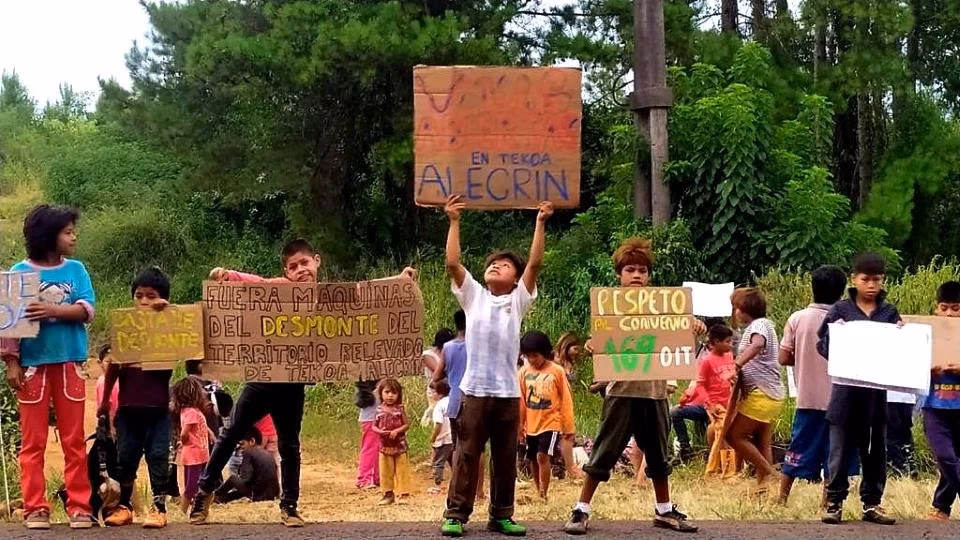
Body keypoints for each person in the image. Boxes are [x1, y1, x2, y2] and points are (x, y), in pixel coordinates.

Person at [189, 239, 415, 527]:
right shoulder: (280, 289)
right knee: (231, 431)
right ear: (286, 271)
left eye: (304, 263)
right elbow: (254, 283)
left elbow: (364, 293)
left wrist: (398, 282)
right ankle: (205, 492)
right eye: (293, 267)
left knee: (290, 444)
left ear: (316, 262)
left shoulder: (329, 297)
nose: (300, 270)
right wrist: (229, 276)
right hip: (263, 376)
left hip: (293, 383)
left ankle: (290, 506)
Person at [564, 237, 702, 535]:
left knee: (658, 452)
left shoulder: (665, 307)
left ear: (649, 275)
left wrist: (694, 327)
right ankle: (581, 509)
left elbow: (678, 343)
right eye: (630, 269)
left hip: (654, 391)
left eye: (641, 270)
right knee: (603, 451)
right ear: (619, 274)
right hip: (621, 390)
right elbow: (598, 344)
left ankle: (664, 510)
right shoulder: (609, 307)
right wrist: (591, 344)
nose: (636, 275)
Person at [441, 195, 553, 538]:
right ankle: (456, 515)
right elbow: (453, 263)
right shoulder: (474, 296)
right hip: (474, 391)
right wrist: (454, 221)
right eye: (492, 264)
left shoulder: (517, 302)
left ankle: (501, 515)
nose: (496, 267)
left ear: (516, 279)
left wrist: (540, 222)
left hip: (506, 394)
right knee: (467, 454)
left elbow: (534, 265)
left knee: (504, 457)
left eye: (505, 266)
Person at [0, 204, 95, 530]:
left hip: (70, 362)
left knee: (74, 439)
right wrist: (11, 363)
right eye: (67, 232)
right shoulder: (18, 271)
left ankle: (80, 506)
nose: (73, 236)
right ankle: (35, 507)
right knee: (33, 441)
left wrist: (51, 310)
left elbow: (86, 309)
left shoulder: (77, 270)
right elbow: (9, 325)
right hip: (32, 366)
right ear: (47, 236)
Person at [817, 252, 902, 525]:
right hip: (845, 393)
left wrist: (904, 336)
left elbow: (898, 352)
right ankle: (834, 502)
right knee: (839, 454)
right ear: (855, 279)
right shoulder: (840, 310)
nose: (871, 285)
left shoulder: (889, 313)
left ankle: (872, 503)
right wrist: (836, 336)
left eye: (877, 279)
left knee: (875, 452)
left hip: (876, 395)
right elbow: (822, 345)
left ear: (883, 280)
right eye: (865, 279)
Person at [98, 267, 177, 528]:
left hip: (158, 411)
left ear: (162, 300)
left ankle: (159, 508)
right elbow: (112, 371)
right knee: (126, 458)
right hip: (128, 410)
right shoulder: (125, 331)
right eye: (139, 295)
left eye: (151, 296)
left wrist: (167, 314)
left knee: (158, 457)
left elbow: (186, 341)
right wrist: (103, 403)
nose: (144, 302)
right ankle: (125, 507)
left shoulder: (169, 333)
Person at [778, 265, 857, 505]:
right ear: (842, 291)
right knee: (835, 452)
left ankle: (781, 497)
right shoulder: (846, 320)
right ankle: (827, 501)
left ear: (812, 288)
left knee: (798, 447)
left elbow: (783, 358)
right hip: (841, 400)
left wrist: (802, 356)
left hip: (808, 398)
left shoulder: (797, 318)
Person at [725, 288, 783, 492]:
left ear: (743, 309)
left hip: (762, 393)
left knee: (733, 436)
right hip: (769, 394)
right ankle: (762, 488)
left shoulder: (759, 325)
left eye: (735, 308)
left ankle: (769, 472)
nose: (734, 313)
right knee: (761, 442)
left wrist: (737, 364)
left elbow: (757, 345)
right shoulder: (762, 326)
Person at [433, 310, 486, 501]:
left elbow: (436, 377)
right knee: (479, 449)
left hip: (455, 402)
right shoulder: (479, 346)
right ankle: (478, 491)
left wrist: (453, 378)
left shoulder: (447, 347)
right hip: (475, 402)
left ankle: (456, 489)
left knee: (458, 447)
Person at [518, 331, 575, 501]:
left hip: (550, 422)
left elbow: (565, 399)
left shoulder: (556, 371)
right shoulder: (523, 372)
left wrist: (567, 425)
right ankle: (538, 489)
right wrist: (520, 425)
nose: (532, 360)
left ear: (544, 353)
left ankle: (544, 493)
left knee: (542, 456)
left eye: (535, 355)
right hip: (531, 424)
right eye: (528, 356)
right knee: (533, 459)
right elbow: (521, 400)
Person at [922, 281, 960, 520]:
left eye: (955, 308)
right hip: (934, 406)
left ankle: (941, 507)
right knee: (945, 456)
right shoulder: (926, 334)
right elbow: (904, 368)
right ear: (936, 308)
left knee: (956, 458)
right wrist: (926, 370)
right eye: (944, 307)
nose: (948, 313)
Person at [673, 324, 736, 462]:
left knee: (720, 432)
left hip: (726, 404)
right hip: (707, 404)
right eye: (727, 341)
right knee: (676, 413)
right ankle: (686, 448)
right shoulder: (706, 360)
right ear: (716, 342)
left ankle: (724, 463)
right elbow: (699, 383)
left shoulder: (729, 356)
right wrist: (706, 403)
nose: (730, 344)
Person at [173, 376, 214, 516]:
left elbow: (199, 427)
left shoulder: (192, 411)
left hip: (198, 452)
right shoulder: (192, 412)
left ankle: (191, 508)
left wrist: (210, 434)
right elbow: (185, 432)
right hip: (194, 454)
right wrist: (183, 440)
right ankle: (182, 510)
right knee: (192, 485)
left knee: (196, 481)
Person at [215, 427, 280, 504]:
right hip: (271, 495)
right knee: (243, 487)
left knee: (233, 479)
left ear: (252, 441)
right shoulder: (267, 453)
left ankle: (215, 495)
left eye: (242, 444)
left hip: (257, 495)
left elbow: (246, 479)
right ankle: (222, 499)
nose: (240, 447)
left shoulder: (248, 452)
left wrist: (241, 471)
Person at [372, 378, 411, 505]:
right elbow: (373, 426)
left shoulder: (400, 409)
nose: (390, 396)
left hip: (400, 446)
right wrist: (379, 432)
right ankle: (388, 494)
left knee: (402, 470)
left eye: (394, 393)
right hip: (384, 446)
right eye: (387, 392)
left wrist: (397, 431)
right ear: (381, 393)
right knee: (385, 471)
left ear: (398, 394)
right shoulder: (378, 410)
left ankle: (404, 494)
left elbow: (406, 424)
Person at [554, 333, 585, 479]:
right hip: (555, 403)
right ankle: (569, 468)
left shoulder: (571, 363)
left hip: (567, 401)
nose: (577, 353)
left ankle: (568, 466)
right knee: (565, 435)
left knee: (568, 434)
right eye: (575, 349)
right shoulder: (555, 361)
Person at [422, 329, 456, 426]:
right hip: (435, 388)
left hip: (449, 387)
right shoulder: (428, 355)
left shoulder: (450, 353)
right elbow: (439, 371)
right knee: (436, 411)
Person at [429, 379, 454, 495]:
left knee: (438, 463)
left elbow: (438, 424)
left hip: (443, 439)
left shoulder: (438, 406)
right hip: (452, 438)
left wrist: (433, 437)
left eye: (433, 392)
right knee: (453, 462)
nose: (431, 394)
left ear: (438, 393)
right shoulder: (452, 401)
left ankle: (437, 485)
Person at [355, 379, 381, 490]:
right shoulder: (378, 390)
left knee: (376, 449)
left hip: (369, 420)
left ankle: (375, 477)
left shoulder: (368, 392)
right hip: (372, 421)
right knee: (371, 449)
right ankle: (364, 479)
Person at [885, 389, 917, 476]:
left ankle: (910, 467)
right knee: (892, 434)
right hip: (889, 397)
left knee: (905, 432)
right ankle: (898, 469)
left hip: (908, 397)